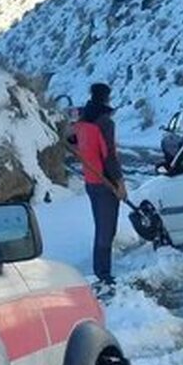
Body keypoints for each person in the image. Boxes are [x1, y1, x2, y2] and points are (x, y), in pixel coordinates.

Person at [73, 82, 126, 288]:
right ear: (106, 98)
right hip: (105, 183)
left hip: (91, 181)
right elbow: (110, 155)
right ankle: (104, 275)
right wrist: (120, 183)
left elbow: (72, 141)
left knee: (101, 227)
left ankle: (101, 270)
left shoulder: (82, 120)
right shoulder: (104, 122)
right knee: (107, 229)